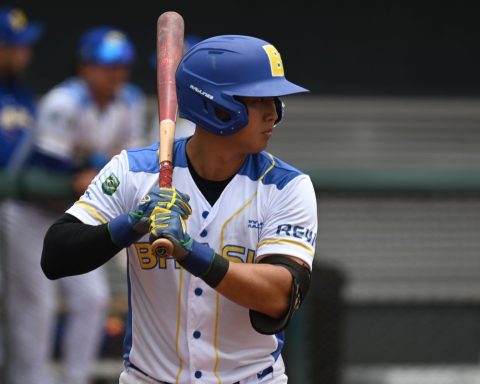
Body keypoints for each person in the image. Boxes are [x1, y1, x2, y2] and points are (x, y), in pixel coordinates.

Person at [42, 34, 317, 383]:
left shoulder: (286, 186)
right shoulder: (134, 171)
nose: (273, 113)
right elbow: (56, 254)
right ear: (215, 104)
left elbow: (280, 295)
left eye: (274, 100)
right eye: (258, 99)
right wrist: (132, 224)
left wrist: (191, 253)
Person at [32, 26, 146, 384]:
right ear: (85, 67)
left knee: (93, 300)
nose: (117, 74)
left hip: (80, 212)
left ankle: (74, 378)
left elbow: (129, 158)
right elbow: (49, 160)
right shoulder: (62, 101)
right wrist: (87, 168)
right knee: (36, 306)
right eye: (107, 65)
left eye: (122, 66)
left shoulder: (129, 100)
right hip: (30, 212)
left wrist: (89, 165)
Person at [0, 6, 52, 384]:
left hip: (17, 210)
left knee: (25, 304)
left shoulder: (22, 94)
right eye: (13, 46)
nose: (23, 53)